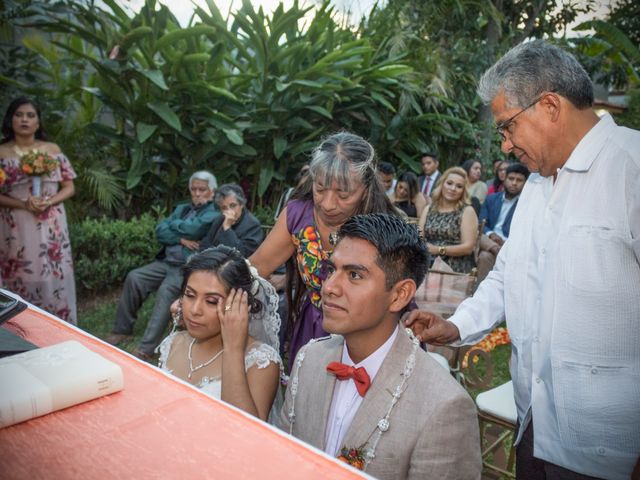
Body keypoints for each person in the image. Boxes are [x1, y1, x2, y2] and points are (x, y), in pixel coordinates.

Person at [405, 40, 640, 480]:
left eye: (508, 127)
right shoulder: (536, 186)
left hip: (611, 448)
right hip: (532, 420)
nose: (507, 145)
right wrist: (457, 325)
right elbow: (507, 276)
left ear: (550, 106)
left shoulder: (632, 167)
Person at [277, 214, 481, 479]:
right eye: (331, 270)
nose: (329, 287)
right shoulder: (310, 358)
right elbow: (282, 458)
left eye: (354, 275)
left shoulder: (443, 405)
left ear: (399, 295)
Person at [249, 132, 399, 368]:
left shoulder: (385, 227)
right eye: (320, 189)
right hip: (313, 328)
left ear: (366, 188)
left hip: (369, 334)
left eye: (344, 194)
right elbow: (256, 269)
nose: (328, 204)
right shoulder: (298, 215)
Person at [158, 246, 280, 421]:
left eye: (211, 301)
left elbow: (245, 432)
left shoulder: (260, 362)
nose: (194, 310)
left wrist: (233, 348)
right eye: (190, 295)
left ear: (240, 304)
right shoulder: (173, 343)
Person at [106, 171, 218, 360]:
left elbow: (195, 229)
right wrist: (182, 238)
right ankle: (122, 329)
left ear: (212, 192)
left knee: (167, 290)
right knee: (135, 277)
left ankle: (146, 349)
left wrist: (174, 227)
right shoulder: (182, 208)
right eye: (194, 189)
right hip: (165, 262)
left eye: (202, 189)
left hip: (186, 266)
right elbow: (160, 231)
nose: (197, 193)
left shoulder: (213, 213)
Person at [0, 97, 77, 323]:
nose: (24, 119)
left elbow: (69, 186)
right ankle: (19, 327)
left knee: (52, 271)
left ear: (38, 122)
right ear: (10, 119)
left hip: (51, 223)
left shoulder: (52, 150)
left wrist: (50, 201)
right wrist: (23, 204)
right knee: (20, 271)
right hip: (14, 224)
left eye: (30, 115)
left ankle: (59, 327)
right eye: (19, 114)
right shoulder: (2, 153)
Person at [418, 166, 478, 274]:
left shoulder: (467, 211)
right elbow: (419, 237)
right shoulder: (429, 208)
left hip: (454, 267)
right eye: (449, 183)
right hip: (426, 262)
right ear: (442, 184)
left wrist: (438, 250)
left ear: (463, 191)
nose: (453, 188)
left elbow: (468, 247)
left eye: (459, 186)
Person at [476, 162, 529, 281]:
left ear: (525, 183)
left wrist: (506, 242)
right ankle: (496, 249)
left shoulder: (526, 204)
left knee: (485, 256)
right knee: (476, 232)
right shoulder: (491, 199)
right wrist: (491, 234)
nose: (514, 183)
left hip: (509, 244)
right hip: (489, 240)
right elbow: (481, 222)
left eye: (519, 180)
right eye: (511, 178)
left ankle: (497, 250)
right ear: (504, 179)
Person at [200, 183, 263, 257]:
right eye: (224, 208)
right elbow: (205, 244)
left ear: (242, 204)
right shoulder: (220, 219)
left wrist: (227, 228)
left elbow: (242, 254)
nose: (229, 211)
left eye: (233, 206)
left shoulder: (253, 225)